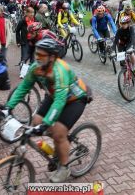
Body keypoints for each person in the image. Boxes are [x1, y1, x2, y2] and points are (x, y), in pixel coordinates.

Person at [5, 38, 91, 183]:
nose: (37, 57)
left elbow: (60, 101)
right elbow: (23, 88)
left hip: (75, 99)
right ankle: (61, 144)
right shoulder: (36, 67)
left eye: (41, 55)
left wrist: (47, 123)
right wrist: (8, 108)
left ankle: (64, 167)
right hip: (55, 95)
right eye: (36, 54)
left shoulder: (60, 70)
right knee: (36, 122)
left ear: (52, 57)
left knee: (57, 132)